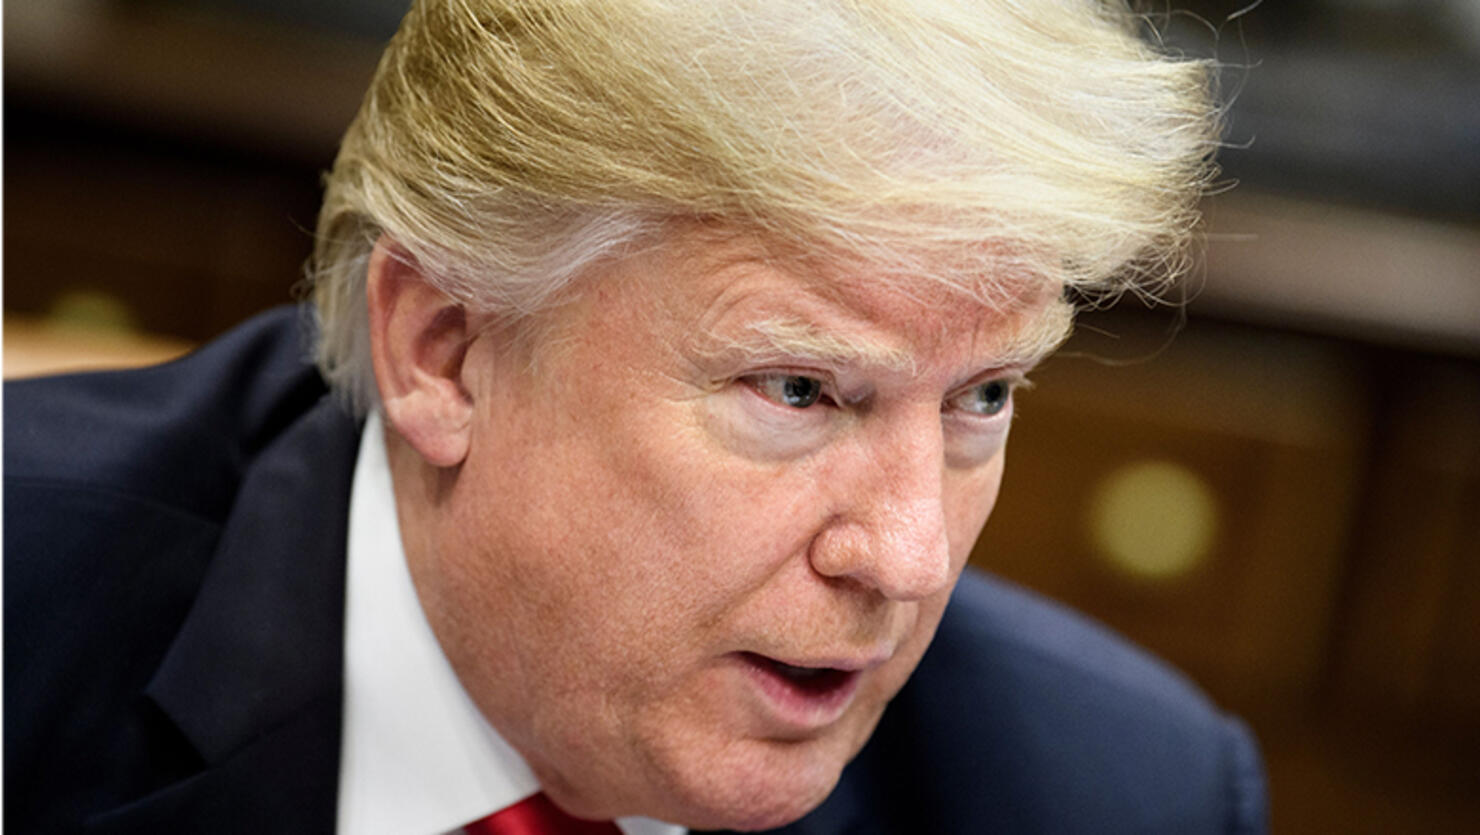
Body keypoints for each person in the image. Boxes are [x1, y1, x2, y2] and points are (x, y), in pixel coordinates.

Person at [5, 1, 1267, 833]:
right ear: (443, 350)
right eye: (800, 390)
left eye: (981, 397)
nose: (907, 557)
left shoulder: (1118, 792)